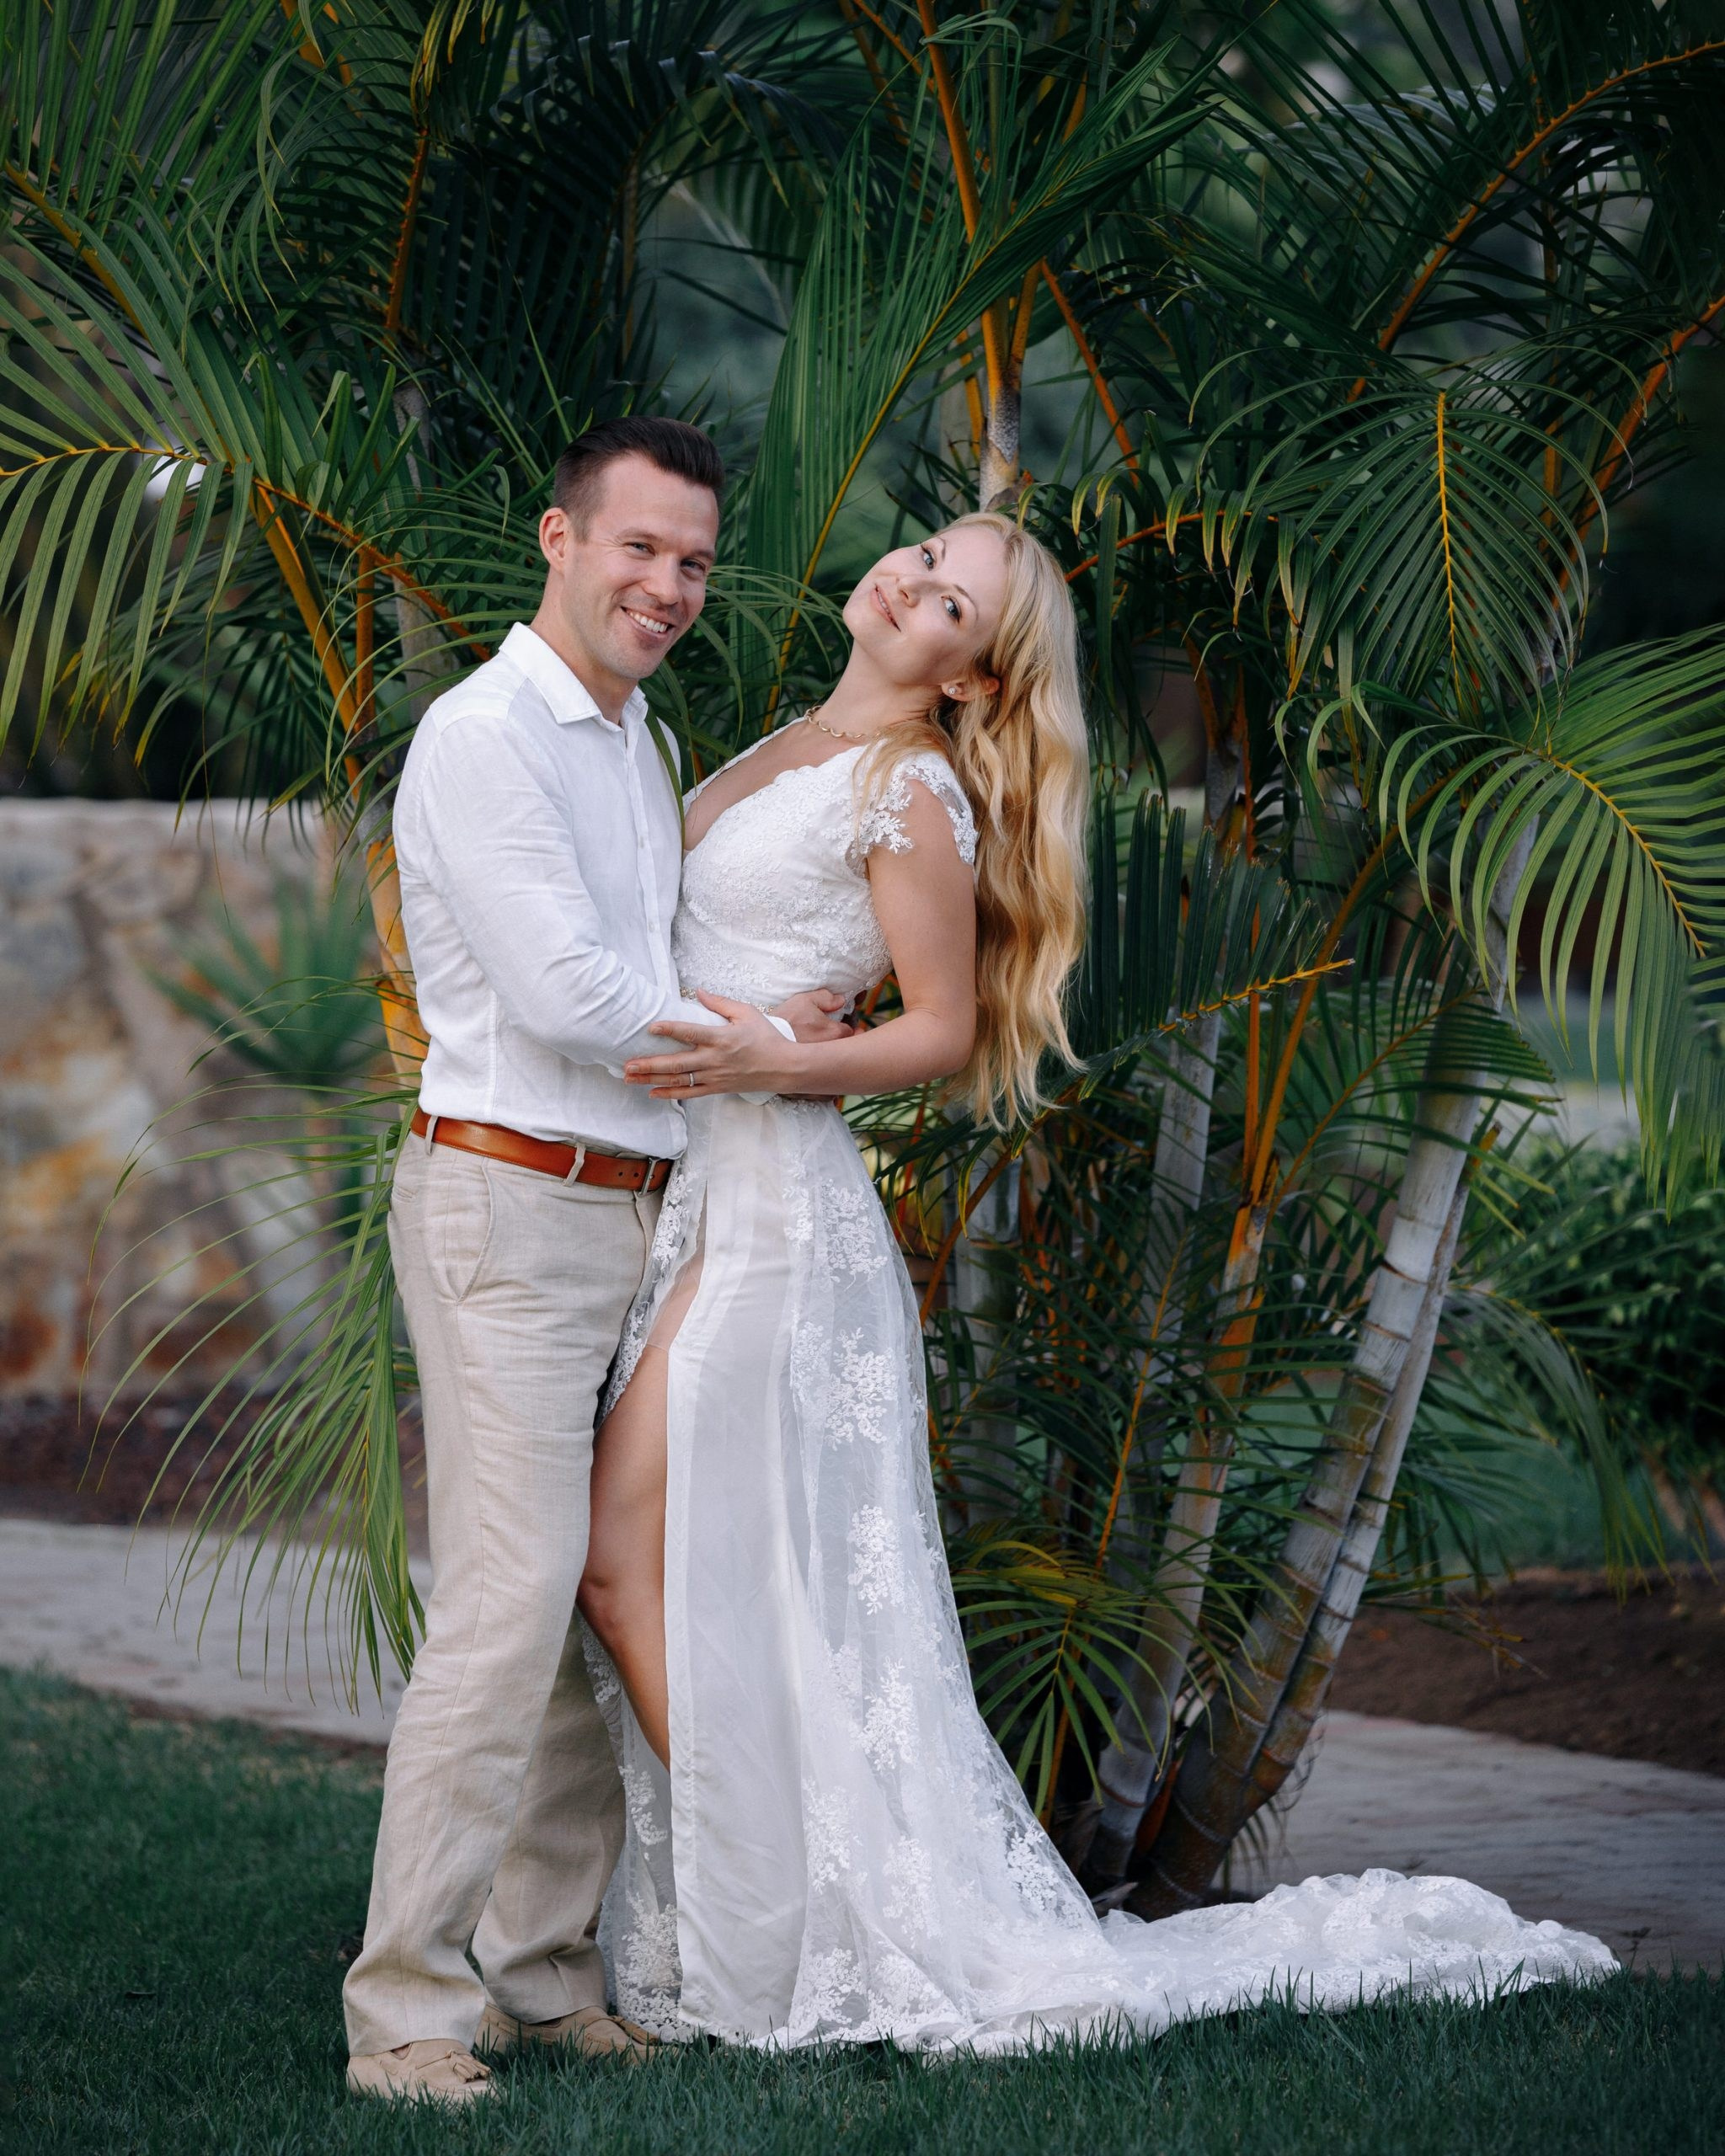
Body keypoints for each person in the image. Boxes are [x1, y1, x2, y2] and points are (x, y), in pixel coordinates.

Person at [577, 510, 1615, 2048]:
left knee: (618, 1561)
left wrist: (778, 1054)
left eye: (950, 603)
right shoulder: (773, 741)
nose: (910, 586)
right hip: (701, 1193)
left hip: (780, 1218)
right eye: (923, 559)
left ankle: (814, 1902)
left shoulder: (910, 790)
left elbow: (942, 1032)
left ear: (978, 683)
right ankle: (792, 1891)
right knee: (702, 1574)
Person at [342, 416, 848, 2105]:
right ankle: (403, 2009)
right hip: (509, 1204)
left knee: (563, 1603)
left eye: (694, 560)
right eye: (639, 547)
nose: (667, 584)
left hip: (630, 1204)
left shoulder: (638, 737)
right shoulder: (485, 736)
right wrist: (774, 1035)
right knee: (504, 1601)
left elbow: (637, 957)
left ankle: (539, 1976)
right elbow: (566, 994)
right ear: (558, 539)